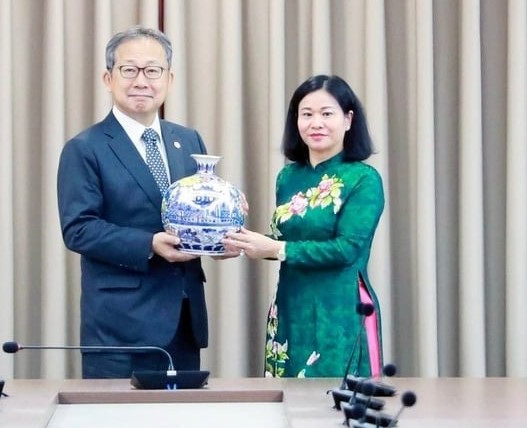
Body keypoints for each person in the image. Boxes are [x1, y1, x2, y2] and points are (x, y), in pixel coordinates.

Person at [57, 26, 210, 378]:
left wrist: (223, 230)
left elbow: (197, 212)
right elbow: (78, 229)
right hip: (119, 328)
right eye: (129, 70)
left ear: (169, 79)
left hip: (184, 322)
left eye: (152, 70)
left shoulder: (189, 140)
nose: (142, 80)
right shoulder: (85, 148)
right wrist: (149, 244)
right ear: (108, 78)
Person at [223, 75, 385, 378]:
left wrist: (276, 248)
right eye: (306, 114)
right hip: (289, 304)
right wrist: (242, 242)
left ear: (348, 120)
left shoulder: (364, 179)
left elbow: (346, 249)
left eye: (327, 114)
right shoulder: (287, 178)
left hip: (339, 309)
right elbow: (285, 241)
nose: (316, 123)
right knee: (284, 402)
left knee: (333, 408)